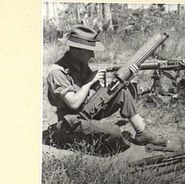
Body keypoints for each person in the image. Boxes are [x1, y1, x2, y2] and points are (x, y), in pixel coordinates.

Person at [46, 25, 166, 155]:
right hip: (70, 122)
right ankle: (65, 137)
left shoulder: (80, 65)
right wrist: (90, 81)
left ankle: (142, 132)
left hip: (84, 113)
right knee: (114, 132)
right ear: (75, 50)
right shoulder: (57, 72)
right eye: (89, 51)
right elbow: (74, 104)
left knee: (121, 90)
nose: (92, 55)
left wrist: (126, 79)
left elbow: (98, 92)